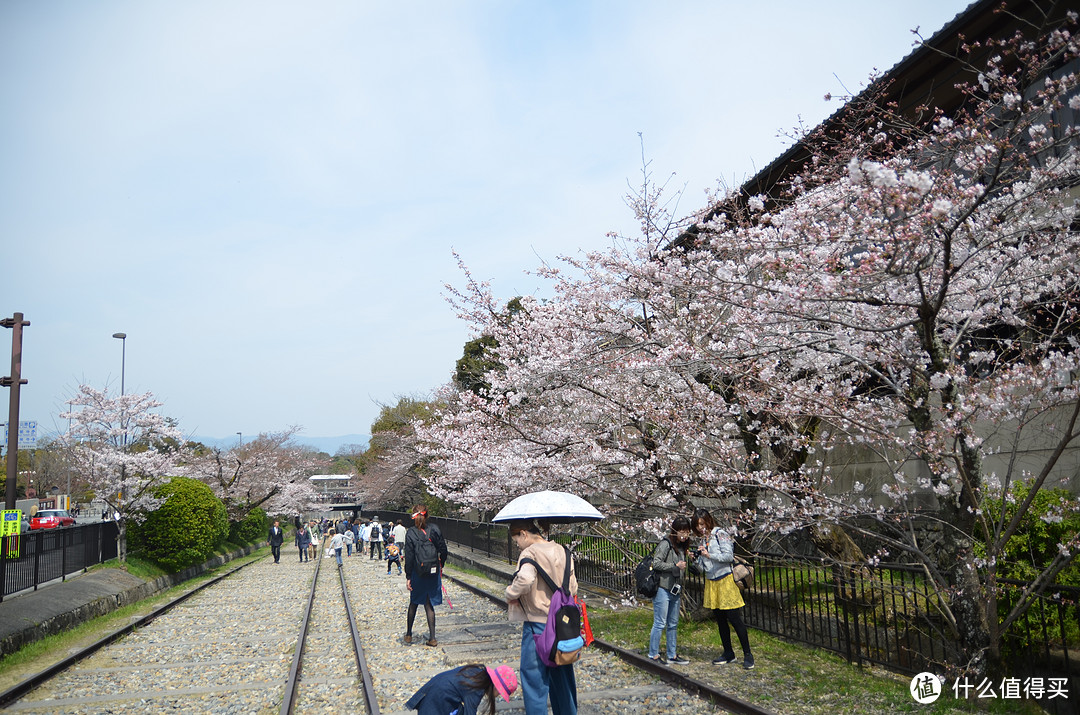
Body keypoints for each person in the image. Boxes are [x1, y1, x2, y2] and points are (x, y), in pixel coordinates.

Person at [505, 519, 578, 715]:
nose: (518, 545)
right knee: (563, 678)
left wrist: (510, 592)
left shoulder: (529, 553)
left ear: (523, 534)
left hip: (538, 626)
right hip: (563, 626)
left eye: (516, 540)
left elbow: (526, 579)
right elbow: (573, 588)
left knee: (534, 680)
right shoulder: (563, 551)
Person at [693, 507, 754, 669]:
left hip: (725, 581)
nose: (700, 527)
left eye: (702, 523)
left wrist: (709, 555)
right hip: (711, 582)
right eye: (697, 525)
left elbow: (728, 556)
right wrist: (696, 559)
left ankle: (748, 654)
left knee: (735, 619)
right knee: (720, 620)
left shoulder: (720, 534)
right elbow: (703, 567)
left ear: (708, 520)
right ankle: (728, 653)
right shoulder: (702, 540)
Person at [647, 516, 693, 665]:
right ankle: (653, 654)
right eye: (681, 531)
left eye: (687, 531)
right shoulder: (666, 544)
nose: (684, 535)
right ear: (675, 531)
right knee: (660, 623)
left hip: (675, 590)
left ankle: (672, 655)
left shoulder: (682, 548)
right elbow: (656, 563)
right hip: (663, 588)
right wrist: (674, 567)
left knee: (673, 623)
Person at [404, 505, 448, 647]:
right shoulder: (434, 529)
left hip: (418, 572)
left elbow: (409, 556)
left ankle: (409, 634)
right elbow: (443, 549)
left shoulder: (410, 532)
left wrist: (408, 576)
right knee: (429, 605)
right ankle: (433, 638)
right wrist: (442, 563)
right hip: (433, 571)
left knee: (414, 602)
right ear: (427, 515)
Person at [405, 663, 517, 715]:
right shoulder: (477, 688)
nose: (498, 696)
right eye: (500, 693)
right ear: (496, 686)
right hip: (436, 700)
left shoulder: (478, 673)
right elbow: (470, 712)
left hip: (435, 690)